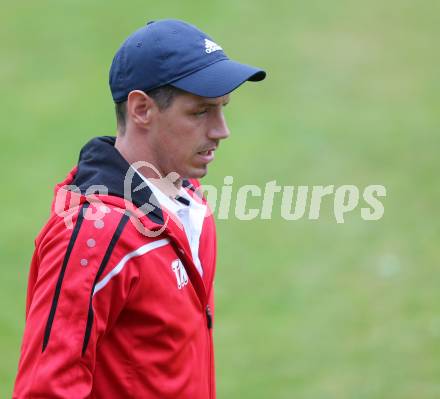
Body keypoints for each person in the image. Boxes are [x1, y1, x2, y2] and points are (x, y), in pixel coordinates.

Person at [13, 19, 265, 398]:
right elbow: (46, 389)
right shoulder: (92, 237)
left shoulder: (189, 202)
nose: (221, 129)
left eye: (223, 108)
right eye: (201, 112)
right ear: (142, 109)